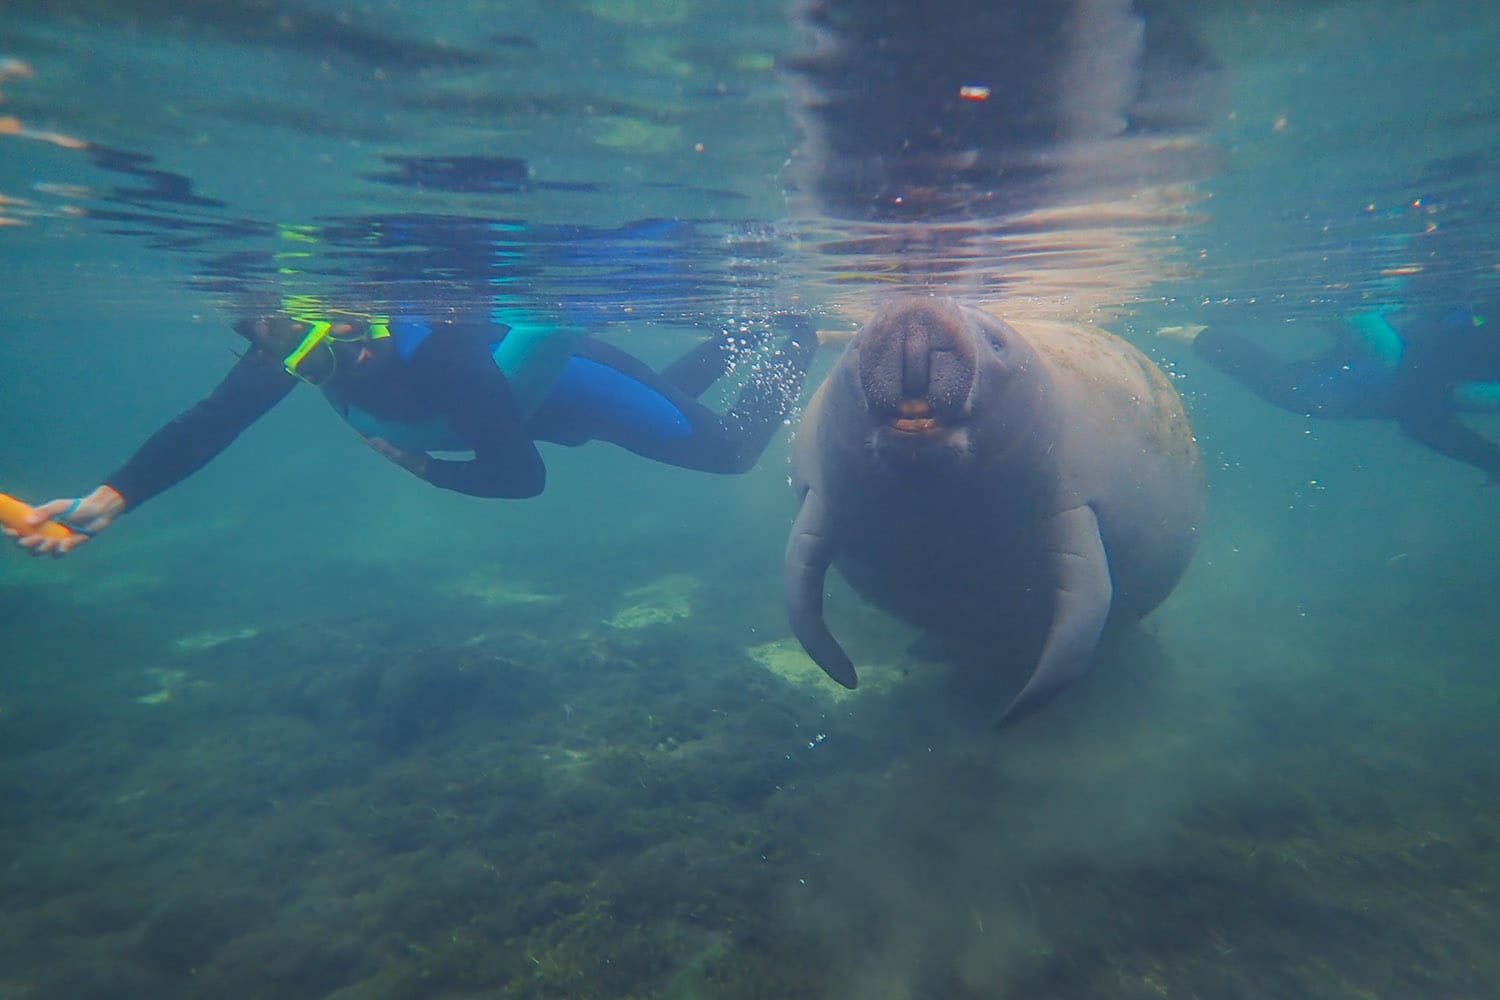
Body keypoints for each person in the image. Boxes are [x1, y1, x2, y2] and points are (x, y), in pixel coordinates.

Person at [6, 307, 820, 555]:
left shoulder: (443, 354)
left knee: (726, 452)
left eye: (354, 334)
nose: (348, 358)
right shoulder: (295, 352)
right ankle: (744, 332)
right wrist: (110, 500)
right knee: (664, 410)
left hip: (579, 388)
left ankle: (793, 333)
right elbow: (209, 424)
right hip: (534, 415)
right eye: (316, 357)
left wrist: (423, 469)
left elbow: (522, 478)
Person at [1166, 304, 1500, 480]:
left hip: (1406, 363)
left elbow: (1425, 416)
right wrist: (1487, 458)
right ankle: (1192, 330)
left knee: (1298, 384)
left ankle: (1194, 329)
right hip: (1400, 373)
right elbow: (1422, 419)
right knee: (1295, 390)